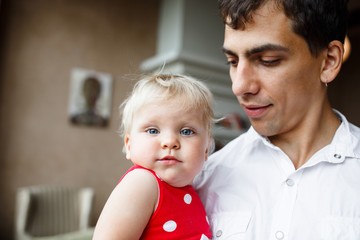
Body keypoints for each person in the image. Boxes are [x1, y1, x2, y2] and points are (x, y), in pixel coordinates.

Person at [193, 0, 360, 239]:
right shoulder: (206, 178)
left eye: (268, 60)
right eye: (233, 61)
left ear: (329, 61)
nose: (239, 86)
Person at [93, 74, 214, 240]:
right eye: (153, 130)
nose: (170, 142)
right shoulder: (143, 182)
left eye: (186, 131)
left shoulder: (193, 191)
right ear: (129, 145)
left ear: (206, 149)